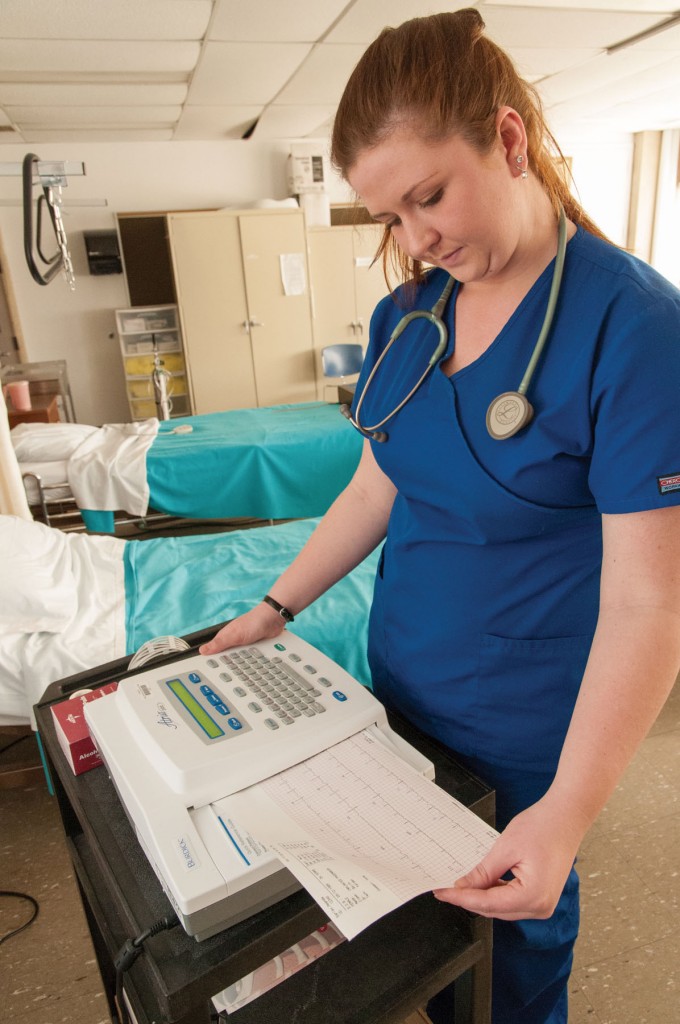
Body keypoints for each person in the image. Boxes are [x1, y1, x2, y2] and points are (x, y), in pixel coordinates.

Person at [200, 9, 680, 1022]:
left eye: (427, 196)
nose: (413, 238)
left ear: (507, 141)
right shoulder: (407, 313)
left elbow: (648, 605)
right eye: (388, 216)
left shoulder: (634, 330)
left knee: (506, 967)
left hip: (520, 725)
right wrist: (273, 607)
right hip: (398, 691)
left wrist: (566, 813)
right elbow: (378, 485)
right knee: (422, 944)